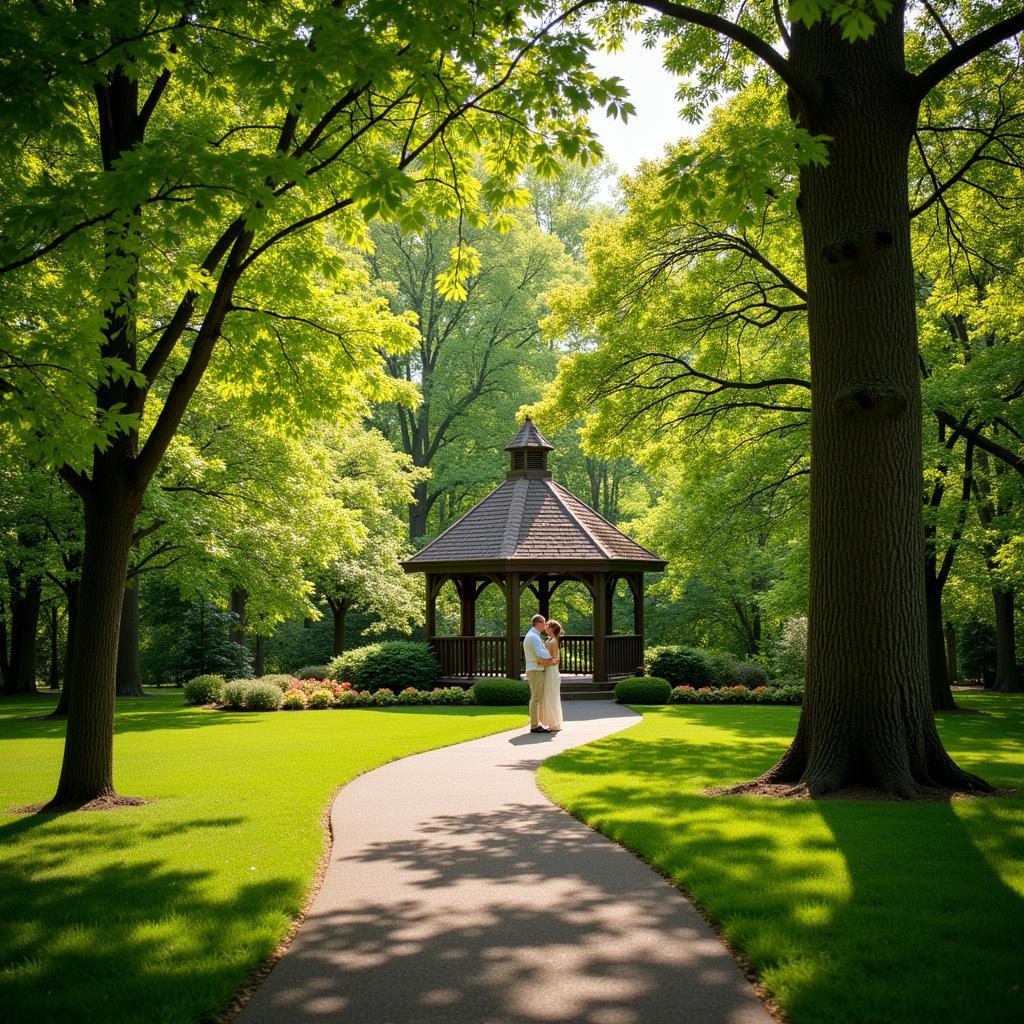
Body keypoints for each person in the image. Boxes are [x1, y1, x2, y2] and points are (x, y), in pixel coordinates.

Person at [523, 613, 556, 733]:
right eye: (544, 622)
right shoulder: (533, 636)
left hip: (536, 669)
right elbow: (540, 653)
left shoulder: (533, 635)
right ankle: (534, 725)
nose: (545, 624)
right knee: (536, 698)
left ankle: (537, 723)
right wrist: (551, 656)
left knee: (537, 697)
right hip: (535, 670)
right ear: (538, 623)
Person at [539, 619, 564, 732]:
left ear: (552, 628)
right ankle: (550, 721)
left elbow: (556, 659)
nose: (546, 628)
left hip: (552, 670)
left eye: (548, 626)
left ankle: (554, 723)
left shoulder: (553, 641)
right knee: (548, 696)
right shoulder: (549, 640)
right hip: (548, 670)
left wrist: (542, 662)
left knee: (551, 696)